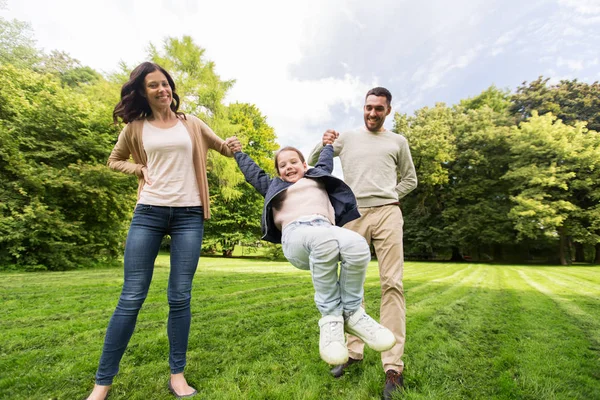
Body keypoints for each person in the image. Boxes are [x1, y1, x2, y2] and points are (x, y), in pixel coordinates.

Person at [86, 62, 235, 400]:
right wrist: (138, 168)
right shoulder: (136, 128)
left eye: (166, 84)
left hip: (189, 215)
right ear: (142, 91)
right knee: (131, 297)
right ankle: (102, 383)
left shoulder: (191, 123)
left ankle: (177, 374)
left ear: (172, 89)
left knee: (180, 297)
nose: (162, 89)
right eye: (154, 85)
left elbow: (222, 148)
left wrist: (233, 144)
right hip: (149, 212)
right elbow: (113, 160)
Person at [225, 137, 396, 366]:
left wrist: (328, 144)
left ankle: (353, 314)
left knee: (357, 244)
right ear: (278, 173)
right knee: (324, 240)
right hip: (296, 236)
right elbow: (253, 173)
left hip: (325, 228)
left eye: (293, 161)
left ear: (305, 165)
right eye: (282, 165)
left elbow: (326, 162)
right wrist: (238, 152)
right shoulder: (274, 187)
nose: (288, 167)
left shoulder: (318, 178)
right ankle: (331, 318)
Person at [307, 87, 417, 400]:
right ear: (363, 107)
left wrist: (391, 195)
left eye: (378, 109)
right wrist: (324, 140)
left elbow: (410, 179)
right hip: (353, 214)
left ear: (388, 111)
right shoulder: (348, 138)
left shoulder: (398, 141)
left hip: (387, 215)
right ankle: (354, 351)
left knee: (392, 284)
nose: (372, 113)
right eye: (368, 107)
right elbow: (313, 161)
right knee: (350, 286)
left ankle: (393, 366)